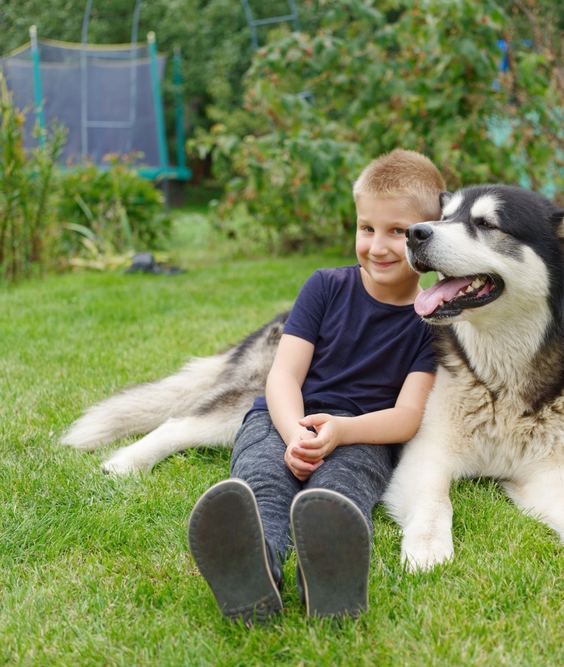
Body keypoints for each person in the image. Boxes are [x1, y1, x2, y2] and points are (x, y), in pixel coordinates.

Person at [186, 149, 443, 625]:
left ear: (427, 237)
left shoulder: (431, 321)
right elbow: (283, 375)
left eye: (398, 232)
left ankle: (329, 580)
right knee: (262, 482)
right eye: (367, 228)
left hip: (363, 436)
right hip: (281, 419)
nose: (378, 246)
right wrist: (293, 433)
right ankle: (252, 568)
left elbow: (407, 416)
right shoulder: (325, 287)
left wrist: (342, 432)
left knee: (339, 493)